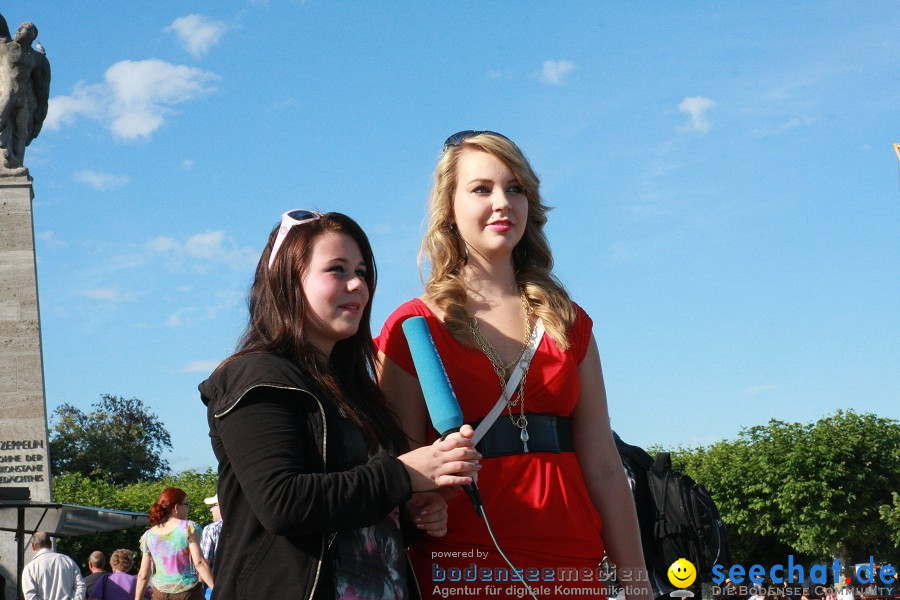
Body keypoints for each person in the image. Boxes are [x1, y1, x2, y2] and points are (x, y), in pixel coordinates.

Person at [377, 131, 652, 600]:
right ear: (449, 206)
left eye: (516, 188)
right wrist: (423, 502)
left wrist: (639, 586)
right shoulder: (412, 326)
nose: (502, 202)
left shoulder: (568, 321)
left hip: (573, 566)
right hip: (462, 568)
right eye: (481, 188)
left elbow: (604, 466)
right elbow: (397, 470)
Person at [198, 210, 482, 599]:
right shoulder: (256, 377)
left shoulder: (359, 392)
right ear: (287, 282)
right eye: (337, 269)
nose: (357, 285)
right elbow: (282, 503)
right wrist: (401, 476)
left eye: (363, 272)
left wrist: (411, 515)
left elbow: (356, 518)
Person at [135, 487, 213, 600]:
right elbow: (199, 563)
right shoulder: (189, 527)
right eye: (187, 504)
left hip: (159, 594)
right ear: (177, 507)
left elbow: (143, 575)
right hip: (187, 593)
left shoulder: (149, 535)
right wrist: (216, 588)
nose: (188, 509)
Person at [0, 14, 51, 175]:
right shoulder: (6, 47)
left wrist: (42, 109)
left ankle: (15, 165)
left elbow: (41, 86)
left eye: (22, 29)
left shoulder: (35, 59)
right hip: (7, 94)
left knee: (21, 133)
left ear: (32, 35)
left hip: (23, 99)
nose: (18, 30)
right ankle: (4, 159)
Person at [20, 531, 85, 600]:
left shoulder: (29, 568)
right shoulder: (68, 561)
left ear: (33, 546)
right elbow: (80, 585)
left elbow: (30, 596)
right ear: (50, 544)